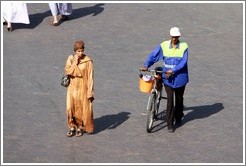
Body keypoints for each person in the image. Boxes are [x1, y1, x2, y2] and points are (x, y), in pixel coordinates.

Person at [141, 27, 189, 132]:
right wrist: (146, 65)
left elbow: (183, 62)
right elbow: (154, 55)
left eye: (176, 37)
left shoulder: (184, 47)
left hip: (180, 78)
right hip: (167, 78)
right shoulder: (163, 46)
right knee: (170, 99)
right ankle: (170, 123)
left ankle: (179, 116)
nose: (174, 39)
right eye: (173, 37)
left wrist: (173, 70)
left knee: (179, 98)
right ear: (170, 36)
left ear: (179, 36)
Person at [64, 40, 94, 137]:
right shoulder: (71, 59)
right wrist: (75, 63)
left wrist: (90, 91)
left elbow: (90, 77)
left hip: (82, 87)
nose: (80, 53)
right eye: (78, 51)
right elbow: (68, 71)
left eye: (82, 51)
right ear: (75, 51)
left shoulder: (88, 61)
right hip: (72, 87)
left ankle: (79, 127)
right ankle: (71, 126)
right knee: (70, 107)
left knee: (80, 109)